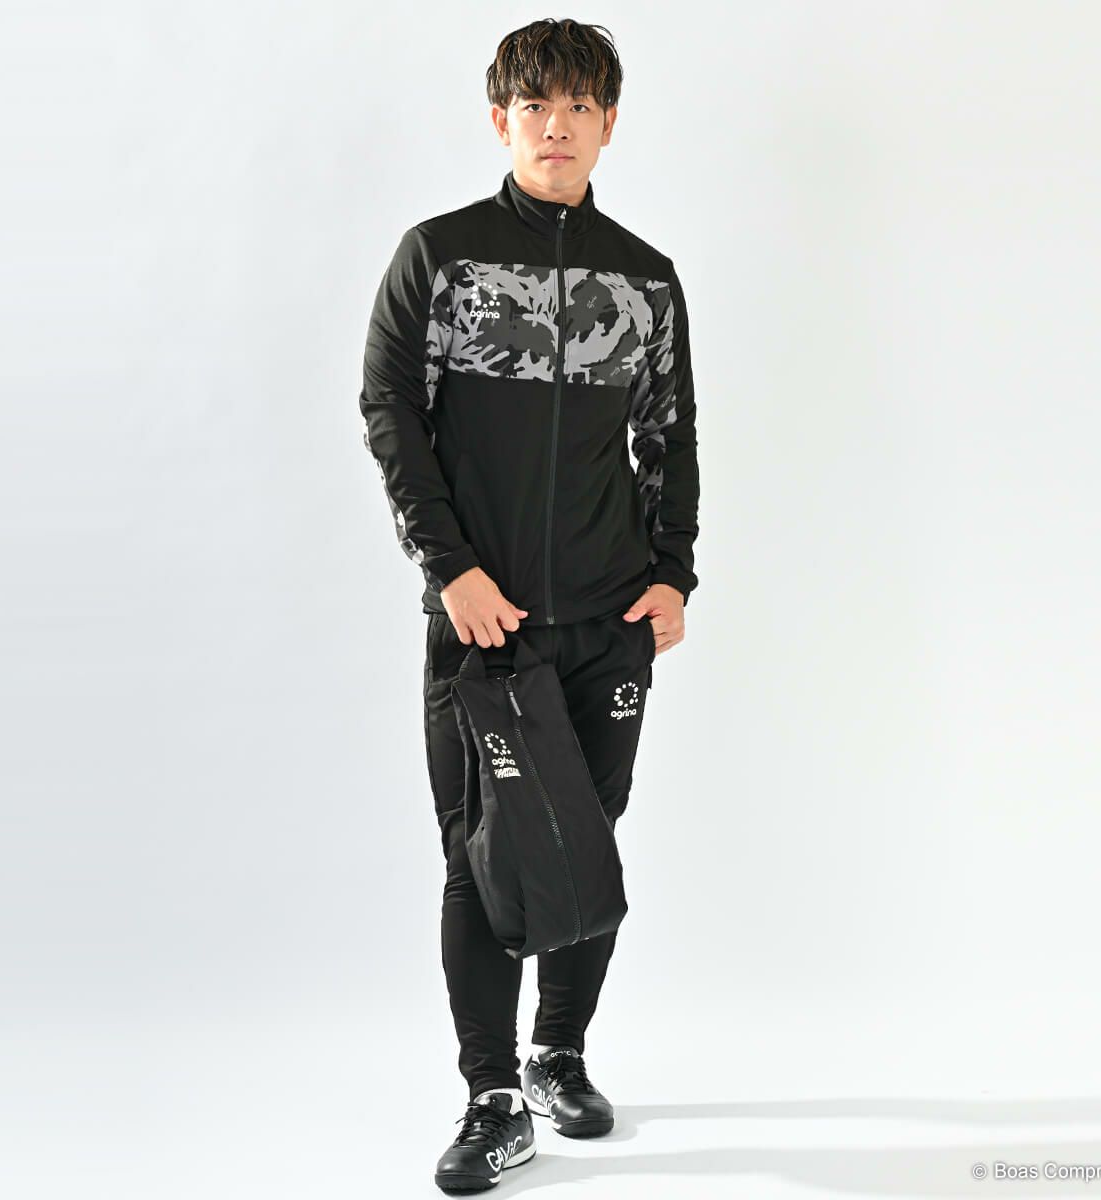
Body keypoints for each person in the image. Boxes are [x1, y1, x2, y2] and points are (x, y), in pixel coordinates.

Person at [359, 17, 700, 1193]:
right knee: (482, 855)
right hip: (483, 625)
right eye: (537, 106)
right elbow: (391, 413)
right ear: (500, 119)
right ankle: (492, 1094)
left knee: (587, 843)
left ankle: (561, 1054)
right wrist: (449, 568)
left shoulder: (644, 278)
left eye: (580, 107)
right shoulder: (441, 256)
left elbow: (670, 436)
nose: (558, 127)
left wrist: (673, 571)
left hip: (609, 619)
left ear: (610, 124)